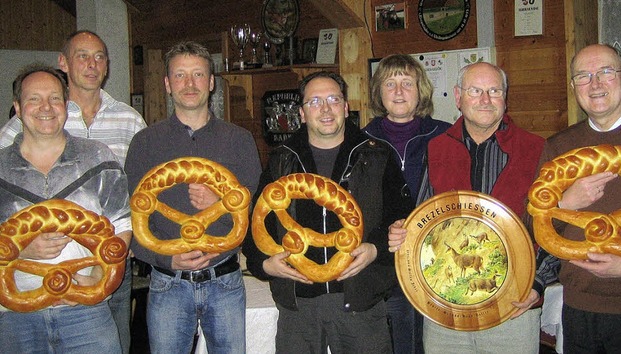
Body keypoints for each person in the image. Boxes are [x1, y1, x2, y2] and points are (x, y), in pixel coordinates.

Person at [243, 71, 414, 353]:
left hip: (361, 300)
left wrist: (375, 249)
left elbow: (403, 222)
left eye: (333, 99)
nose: (325, 109)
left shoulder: (377, 156)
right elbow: (255, 230)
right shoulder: (281, 161)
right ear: (301, 113)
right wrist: (263, 265)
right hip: (298, 304)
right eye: (315, 102)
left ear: (346, 107)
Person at [0, 30, 146, 353]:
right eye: (33, 100)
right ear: (17, 107)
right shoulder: (1, 164)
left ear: (66, 104)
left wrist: (99, 271)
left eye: (54, 99)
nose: (45, 108)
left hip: (87, 311)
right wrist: (21, 249)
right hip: (16, 312)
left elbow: (122, 221)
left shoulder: (98, 156)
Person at [388, 62, 545, 353]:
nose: (485, 100)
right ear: (459, 97)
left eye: (494, 91)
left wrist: (537, 283)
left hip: (513, 308)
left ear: (505, 98)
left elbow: (554, 227)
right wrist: (402, 232)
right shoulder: (436, 148)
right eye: (476, 91)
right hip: (446, 313)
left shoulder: (537, 149)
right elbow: (422, 218)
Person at [124, 41, 261, 354]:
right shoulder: (145, 142)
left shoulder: (239, 140)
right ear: (168, 84)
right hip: (167, 282)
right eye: (181, 76)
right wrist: (165, 257)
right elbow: (129, 219)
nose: (189, 83)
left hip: (226, 280)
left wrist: (221, 204)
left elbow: (255, 214)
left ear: (211, 83)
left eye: (198, 74)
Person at [529, 44, 621, 352]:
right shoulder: (559, 146)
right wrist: (565, 204)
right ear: (574, 86)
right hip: (578, 307)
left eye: (606, 72)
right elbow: (535, 221)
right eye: (583, 75)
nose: (595, 83)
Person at [363, 54, 450, 354]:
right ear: (379, 92)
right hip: (384, 264)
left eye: (407, 83)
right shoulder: (361, 141)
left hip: (438, 263)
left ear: (420, 90)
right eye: (390, 83)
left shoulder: (445, 135)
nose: (398, 92)